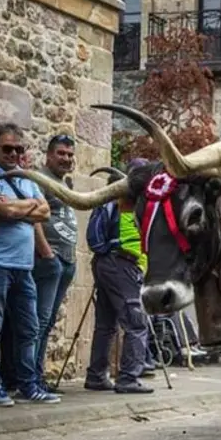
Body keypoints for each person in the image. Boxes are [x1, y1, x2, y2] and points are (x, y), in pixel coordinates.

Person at [0, 124, 59, 405]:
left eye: (18, 149)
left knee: (29, 327)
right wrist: (26, 207)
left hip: (24, 266)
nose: (13, 153)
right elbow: (3, 210)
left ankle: (29, 384)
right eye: (7, 148)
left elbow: (45, 211)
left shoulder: (27, 177)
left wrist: (16, 208)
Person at [85, 179, 155, 393]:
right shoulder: (124, 203)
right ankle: (128, 378)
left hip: (108, 263)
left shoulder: (112, 202)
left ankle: (97, 376)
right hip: (122, 264)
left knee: (106, 324)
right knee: (136, 323)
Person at [32, 134, 78, 388]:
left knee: (47, 322)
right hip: (51, 259)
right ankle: (31, 378)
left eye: (70, 155)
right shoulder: (41, 180)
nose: (66, 159)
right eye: (61, 153)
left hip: (67, 260)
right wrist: (46, 252)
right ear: (49, 155)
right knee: (39, 321)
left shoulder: (65, 183)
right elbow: (35, 218)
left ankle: (36, 376)